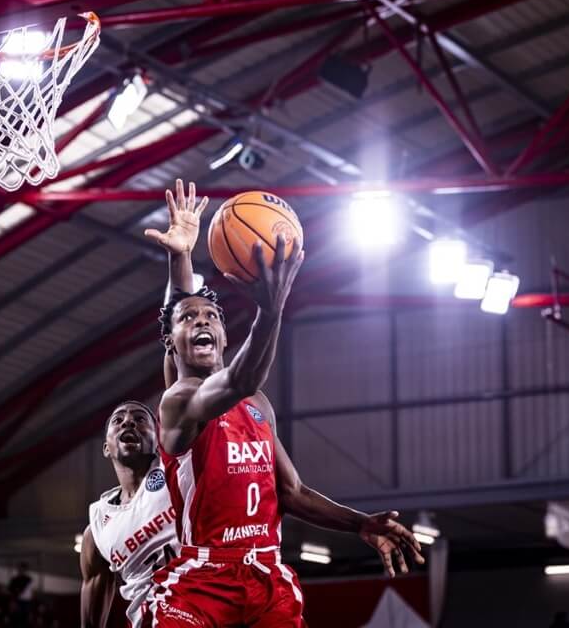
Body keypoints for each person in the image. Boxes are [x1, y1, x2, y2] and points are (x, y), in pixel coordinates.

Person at [149, 183, 425, 627]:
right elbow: (239, 376)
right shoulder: (179, 402)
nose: (201, 320)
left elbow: (290, 492)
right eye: (188, 318)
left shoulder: (257, 403)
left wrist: (359, 524)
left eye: (212, 317)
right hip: (203, 579)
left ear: (223, 335)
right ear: (171, 343)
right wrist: (267, 306)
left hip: (265, 574)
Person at [80, 182, 208, 628]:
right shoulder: (99, 522)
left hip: (209, 609)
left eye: (140, 418)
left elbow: (178, 354)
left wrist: (180, 259)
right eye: (119, 421)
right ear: (106, 447)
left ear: (160, 436)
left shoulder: (174, 464)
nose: (130, 423)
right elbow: (95, 587)